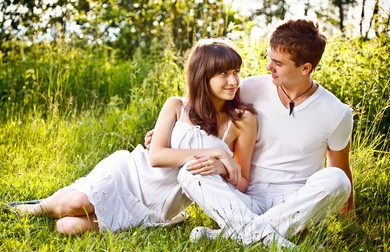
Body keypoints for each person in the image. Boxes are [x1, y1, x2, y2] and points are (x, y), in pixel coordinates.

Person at [10, 38, 258, 235]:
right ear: (203, 76)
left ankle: (59, 205)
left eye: (236, 71)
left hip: (161, 203)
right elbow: (157, 156)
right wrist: (216, 151)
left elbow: (243, 181)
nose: (234, 81)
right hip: (132, 175)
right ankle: (34, 208)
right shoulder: (176, 105)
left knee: (67, 227)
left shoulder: (242, 120)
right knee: (76, 203)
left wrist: (222, 166)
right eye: (223, 73)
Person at [147, 18, 354, 248]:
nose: (268, 67)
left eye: (278, 63)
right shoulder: (250, 89)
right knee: (190, 171)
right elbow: (209, 114)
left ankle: (237, 233)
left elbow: (340, 167)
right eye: (269, 58)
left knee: (338, 180)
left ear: (305, 68)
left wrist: (350, 220)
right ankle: (273, 240)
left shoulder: (337, 113)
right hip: (244, 199)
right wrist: (166, 132)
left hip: (297, 203)